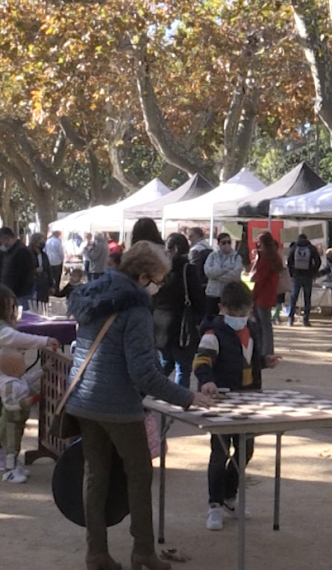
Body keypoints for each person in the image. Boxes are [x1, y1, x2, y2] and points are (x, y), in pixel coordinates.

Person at [65, 241, 214, 570]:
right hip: (116, 403)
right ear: (144, 276)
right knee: (139, 473)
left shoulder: (95, 293)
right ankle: (143, 551)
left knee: (96, 475)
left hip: (83, 398)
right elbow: (144, 373)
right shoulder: (135, 310)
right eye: (160, 278)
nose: (161, 286)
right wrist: (187, 397)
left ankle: (96, 553)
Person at [195, 281, 280, 530]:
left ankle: (229, 496)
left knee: (246, 450)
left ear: (250, 309)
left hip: (250, 400)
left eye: (244, 314)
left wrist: (265, 361)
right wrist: (207, 380)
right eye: (234, 314)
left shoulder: (252, 329)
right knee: (219, 453)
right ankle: (214, 504)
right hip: (222, 401)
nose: (239, 318)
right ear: (222, 308)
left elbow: (250, 361)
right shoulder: (212, 334)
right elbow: (201, 361)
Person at [0, 285, 58, 471]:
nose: (12, 310)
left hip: (0, 378)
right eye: (8, 307)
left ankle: (3, 450)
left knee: (0, 415)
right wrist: (45, 341)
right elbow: (20, 339)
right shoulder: (0, 331)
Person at [153, 233, 207, 388]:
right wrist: (198, 317)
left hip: (160, 323)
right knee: (182, 367)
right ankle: (180, 402)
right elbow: (197, 297)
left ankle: (152, 395)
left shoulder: (160, 270)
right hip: (182, 324)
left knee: (164, 363)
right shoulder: (187, 269)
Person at [0, 350, 44, 483]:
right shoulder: (9, 385)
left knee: (17, 442)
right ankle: (10, 471)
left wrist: (44, 369)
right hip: (10, 421)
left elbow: (30, 377)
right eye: (22, 364)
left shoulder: (20, 380)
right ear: (15, 368)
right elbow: (9, 403)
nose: (25, 365)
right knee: (11, 446)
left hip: (19, 420)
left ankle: (16, 465)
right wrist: (23, 403)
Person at [250, 232, 282, 357]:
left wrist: (253, 295)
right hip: (269, 294)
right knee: (266, 325)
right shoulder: (274, 257)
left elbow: (260, 280)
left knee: (261, 326)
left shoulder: (264, 259)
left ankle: (264, 351)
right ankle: (267, 350)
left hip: (261, 296)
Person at [204, 233, 244, 317]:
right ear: (218, 244)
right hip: (213, 293)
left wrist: (216, 276)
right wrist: (225, 270)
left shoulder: (236, 257)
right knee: (210, 318)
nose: (227, 245)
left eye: (229, 242)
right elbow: (208, 272)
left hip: (229, 294)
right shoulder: (212, 256)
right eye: (224, 242)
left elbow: (235, 275)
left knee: (229, 318)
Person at [0, 228, 36, 308]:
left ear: (6, 239)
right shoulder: (8, 252)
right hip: (10, 292)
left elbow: (23, 275)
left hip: (20, 294)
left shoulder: (22, 251)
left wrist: (13, 292)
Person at [286, 233, 322, 327]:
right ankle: (305, 320)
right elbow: (318, 261)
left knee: (293, 298)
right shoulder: (311, 248)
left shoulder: (294, 247)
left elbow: (289, 261)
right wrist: (313, 272)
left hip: (296, 276)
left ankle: (290, 319)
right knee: (307, 299)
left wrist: (292, 273)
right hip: (308, 276)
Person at [29, 232, 53, 302]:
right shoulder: (28, 253)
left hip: (43, 284)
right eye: (41, 241)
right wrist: (34, 271)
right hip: (32, 284)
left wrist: (51, 285)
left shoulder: (44, 255)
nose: (43, 243)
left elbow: (48, 270)